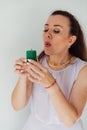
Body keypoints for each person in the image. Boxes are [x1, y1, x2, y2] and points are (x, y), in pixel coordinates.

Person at [11, 10, 87, 130]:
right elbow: (17, 105)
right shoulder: (37, 63)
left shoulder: (83, 69)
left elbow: (70, 120)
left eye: (56, 31)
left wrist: (50, 84)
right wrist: (23, 77)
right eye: (46, 29)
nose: (47, 34)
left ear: (71, 40)